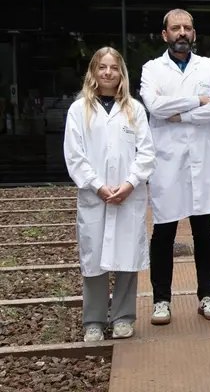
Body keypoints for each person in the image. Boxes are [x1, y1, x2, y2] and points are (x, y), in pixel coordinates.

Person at [139, 8, 210, 324]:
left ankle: (207, 296)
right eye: (175, 28)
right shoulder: (152, 69)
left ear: (194, 34)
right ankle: (161, 300)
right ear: (164, 34)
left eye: (187, 28)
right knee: (163, 231)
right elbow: (154, 106)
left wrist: (181, 114)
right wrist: (197, 100)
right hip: (167, 162)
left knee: (204, 232)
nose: (182, 33)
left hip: (203, 162)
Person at [63, 47, 156, 341]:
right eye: (102, 67)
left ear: (121, 73)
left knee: (127, 257)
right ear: (92, 72)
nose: (107, 73)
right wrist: (98, 186)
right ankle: (93, 320)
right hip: (95, 197)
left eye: (113, 68)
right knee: (94, 259)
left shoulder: (135, 109)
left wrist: (129, 184)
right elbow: (75, 156)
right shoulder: (79, 110)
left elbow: (147, 154)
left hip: (128, 196)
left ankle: (123, 317)